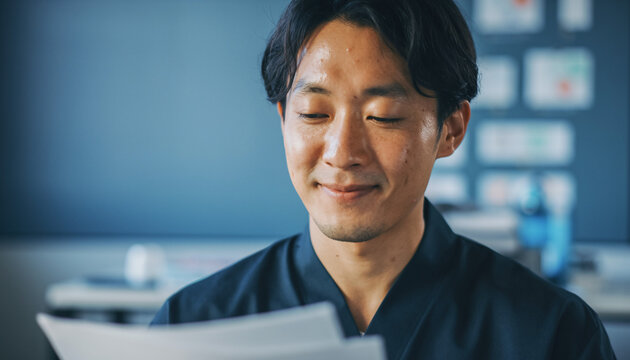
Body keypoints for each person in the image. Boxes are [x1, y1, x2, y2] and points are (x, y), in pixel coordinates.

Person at [151, 0, 617, 359]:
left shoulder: (551, 334)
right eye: (314, 113)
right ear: (283, 120)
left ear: (450, 129)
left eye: (384, 117)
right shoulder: (193, 328)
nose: (342, 152)